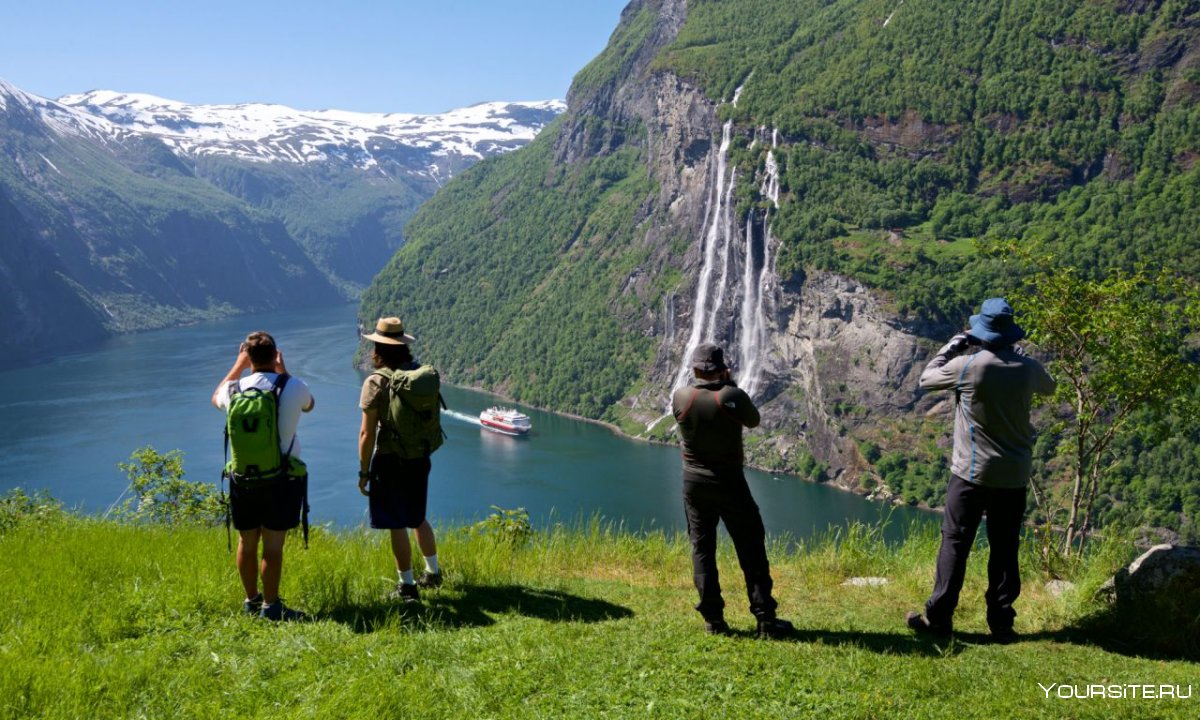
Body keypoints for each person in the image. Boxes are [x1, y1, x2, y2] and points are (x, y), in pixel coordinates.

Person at [906, 297, 1055, 643]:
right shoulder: (1028, 368)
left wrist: (953, 345)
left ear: (980, 333)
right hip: (1014, 475)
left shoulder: (969, 366)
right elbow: (1051, 387)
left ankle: (939, 620)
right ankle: (1002, 623)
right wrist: (1020, 357)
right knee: (1005, 547)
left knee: (956, 543)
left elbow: (926, 380)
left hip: (971, 474)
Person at [671, 343, 793, 638]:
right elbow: (753, 420)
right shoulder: (730, 396)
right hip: (729, 482)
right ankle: (765, 619)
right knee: (751, 547)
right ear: (723, 369)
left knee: (702, 549)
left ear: (696, 369)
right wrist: (730, 384)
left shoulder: (681, 396)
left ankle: (713, 620)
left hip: (694, 483)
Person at [212, 331, 315, 621]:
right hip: (280, 479)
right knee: (272, 545)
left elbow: (214, 397)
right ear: (275, 354)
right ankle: (272, 607)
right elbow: (310, 405)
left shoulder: (234, 390)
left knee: (247, 541)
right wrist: (283, 372)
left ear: (249, 357)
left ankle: (251, 601)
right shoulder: (292, 386)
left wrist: (238, 364)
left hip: (242, 479)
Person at [358, 317, 443, 602]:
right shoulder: (420, 375)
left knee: (396, 523)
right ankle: (433, 572)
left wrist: (363, 471)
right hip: (419, 455)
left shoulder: (376, 382)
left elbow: (366, 433)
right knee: (417, 516)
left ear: (379, 349)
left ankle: (407, 586)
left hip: (390, 459)